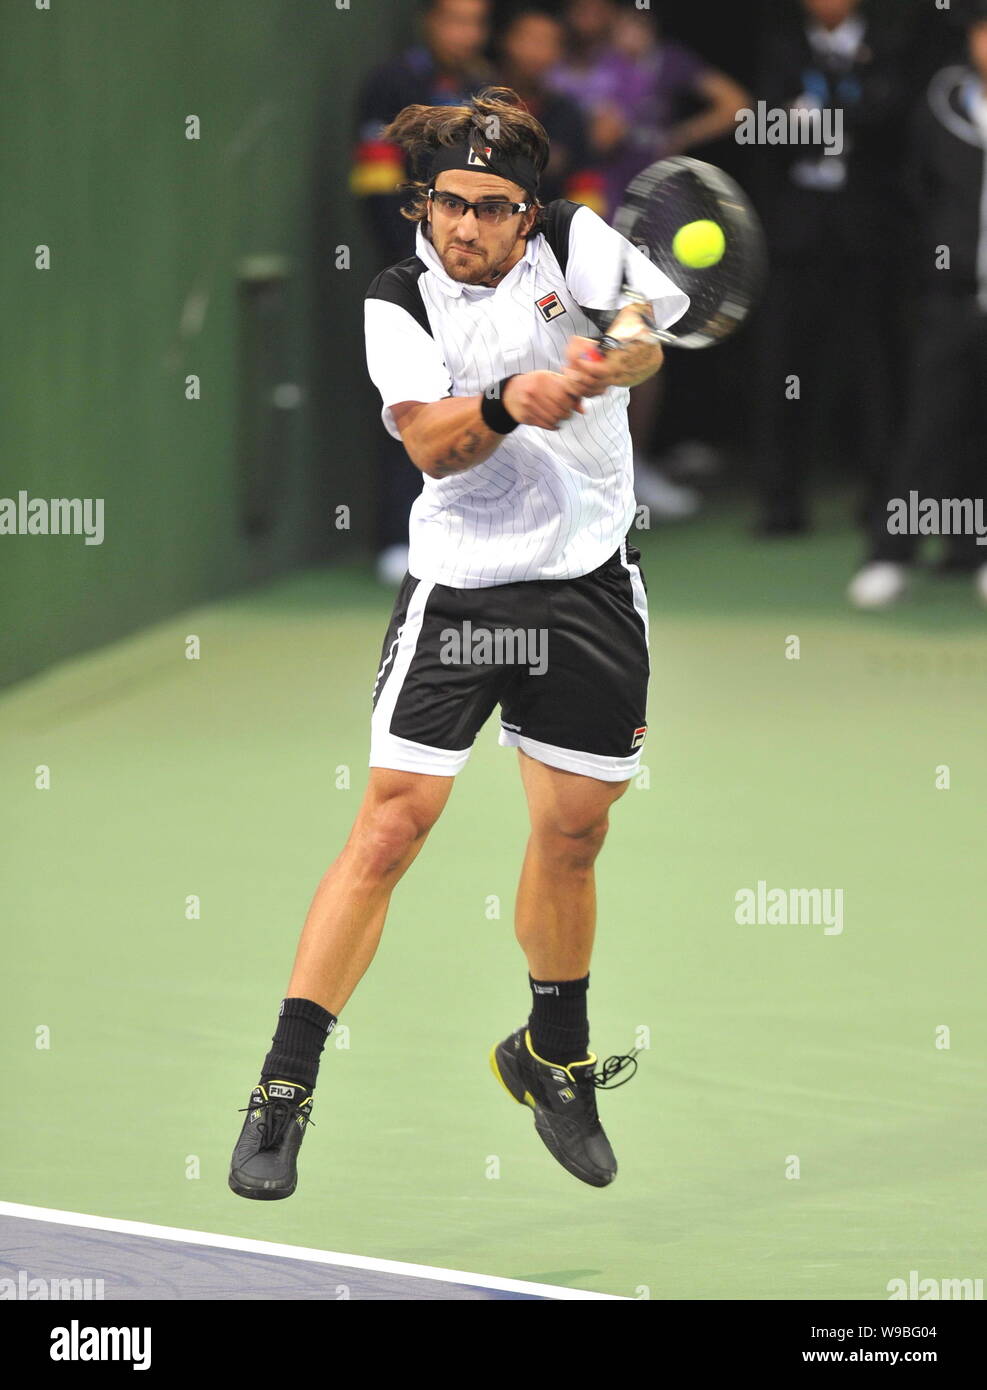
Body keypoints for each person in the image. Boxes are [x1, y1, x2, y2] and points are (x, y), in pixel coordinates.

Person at [229, 87, 689, 1198]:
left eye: (491, 207)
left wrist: (619, 350)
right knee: (392, 827)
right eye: (447, 204)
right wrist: (505, 400)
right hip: (463, 595)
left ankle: (552, 1056)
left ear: (530, 214)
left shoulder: (578, 238)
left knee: (573, 834)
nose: (465, 227)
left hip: (585, 583)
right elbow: (434, 446)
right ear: (423, 205)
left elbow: (644, 332)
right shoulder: (401, 300)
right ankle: (284, 1087)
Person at [549, 0, 749, 520]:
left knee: (641, 339)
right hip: (577, 217)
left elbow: (734, 103)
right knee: (567, 340)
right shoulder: (559, 65)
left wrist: (676, 139)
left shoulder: (659, 61)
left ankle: (632, 468)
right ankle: (568, 478)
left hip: (644, 223)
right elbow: (595, 139)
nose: (590, 14)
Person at [848, 0, 987, 608]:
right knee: (926, 426)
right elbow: (913, 188)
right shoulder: (942, 101)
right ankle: (889, 553)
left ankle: (976, 554)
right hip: (949, 297)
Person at [350, 0, 494, 584]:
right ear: (429, 23)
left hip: (474, 275)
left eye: (476, 22)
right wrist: (415, 258)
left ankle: (474, 534)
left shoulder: (486, 91)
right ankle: (395, 536)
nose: (465, 32)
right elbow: (375, 178)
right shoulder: (389, 84)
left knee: (472, 395)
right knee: (410, 400)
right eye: (455, 19)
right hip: (410, 268)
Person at [753, 0, 906, 535]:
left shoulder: (890, 43)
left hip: (870, 239)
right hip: (799, 238)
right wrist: (847, 116)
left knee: (876, 371)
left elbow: (893, 123)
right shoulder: (784, 46)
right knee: (786, 368)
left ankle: (883, 502)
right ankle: (781, 502)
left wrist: (816, 118)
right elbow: (765, 131)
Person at [496, 6, 605, 212]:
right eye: (528, 39)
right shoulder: (479, 106)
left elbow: (585, 186)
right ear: (507, 41)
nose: (536, 52)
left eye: (547, 43)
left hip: (547, 235)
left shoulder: (569, 114)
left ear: (558, 53)